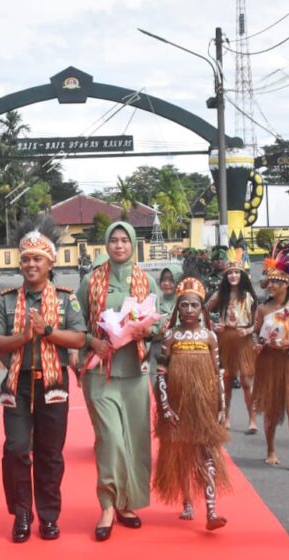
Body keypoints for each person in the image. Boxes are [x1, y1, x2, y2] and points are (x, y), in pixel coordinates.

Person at [0, 218, 86, 543]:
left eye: (37, 258)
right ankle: (22, 515)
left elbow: (78, 340)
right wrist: (23, 337)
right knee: (16, 449)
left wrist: (46, 331)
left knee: (50, 453)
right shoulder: (5, 300)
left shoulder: (65, 299)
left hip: (54, 383)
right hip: (18, 383)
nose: (31, 264)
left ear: (51, 262)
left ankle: (48, 516)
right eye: (26, 258)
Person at [77, 221, 160, 541]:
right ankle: (108, 504)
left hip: (135, 373)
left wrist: (146, 330)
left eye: (125, 240)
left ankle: (129, 503)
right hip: (101, 373)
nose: (120, 245)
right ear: (106, 245)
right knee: (110, 440)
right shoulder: (91, 280)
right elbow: (75, 322)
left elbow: (157, 325)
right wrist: (91, 342)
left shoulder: (146, 279)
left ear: (134, 244)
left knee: (134, 442)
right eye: (114, 240)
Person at [154, 277, 229, 530]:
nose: (188, 310)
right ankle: (187, 502)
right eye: (184, 305)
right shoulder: (170, 336)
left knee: (206, 452)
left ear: (201, 309)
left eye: (193, 305)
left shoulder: (210, 337)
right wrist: (165, 408)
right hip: (177, 404)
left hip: (204, 405)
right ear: (178, 308)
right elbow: (161, 374)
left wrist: (222, 408)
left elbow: (219, 373)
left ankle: (211, 511)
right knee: (182, 454)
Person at [252, 252, 289, 472]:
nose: (270, 286)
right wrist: (258, 344)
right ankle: (270, 450)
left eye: (275, 282)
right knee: (271, 408)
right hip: (269, 361)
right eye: (269, 282)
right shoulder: (262, 308)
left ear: (286, 283)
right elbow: (256, 334)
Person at [205, 249, 258, 432]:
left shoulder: (249, 296)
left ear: (242, 275)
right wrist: (213, 325)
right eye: (230, 273)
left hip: (244, 340)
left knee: (246, 382)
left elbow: (256, 322)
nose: (233, 276)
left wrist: (249, 330)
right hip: (225, 338)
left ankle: (252, 420)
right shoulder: (221, 295)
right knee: (226, 380)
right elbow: (203, 310)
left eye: (237, 273)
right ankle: (226, 417)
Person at [148, 264, 182, 382]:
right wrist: (158, 332)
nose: (167, 283)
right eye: (164, 280)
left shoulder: (187, 302)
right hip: (156, 354)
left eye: (171, 280)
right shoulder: (153, 302)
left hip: (180, 354)